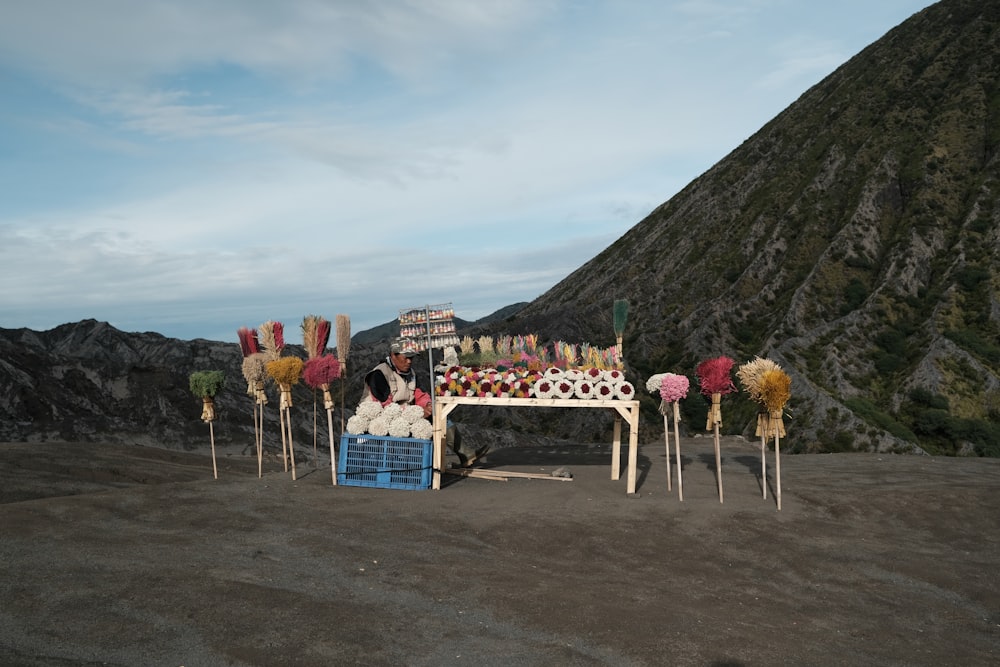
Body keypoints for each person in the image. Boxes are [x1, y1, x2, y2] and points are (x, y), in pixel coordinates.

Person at [361, 338, 488, 467]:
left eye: (411, 358)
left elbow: (420, 395)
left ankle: (464, 454)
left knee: (440, 416)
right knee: (421, 424)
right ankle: (427, 464)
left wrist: (427, 405)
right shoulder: (379, 374)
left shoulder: (410, 374)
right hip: (381, 419)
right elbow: (385, 406)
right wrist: (417, 413)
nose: (409, 361)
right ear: (393, 355)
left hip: (406, 414)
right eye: (406, 357)